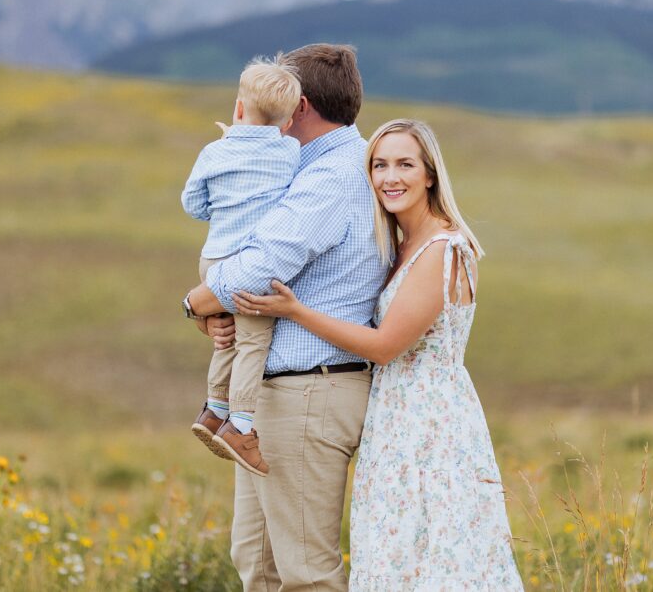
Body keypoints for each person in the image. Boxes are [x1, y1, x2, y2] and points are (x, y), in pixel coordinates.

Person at [234, 119, 525, 590]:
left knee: (437, 555)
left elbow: (387, 345)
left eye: (405, 164)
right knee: (394, 555)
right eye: (380, 165)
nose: (390, 177)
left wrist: (296, 310)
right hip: (392, 418)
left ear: (430, 174)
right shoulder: (398, 245)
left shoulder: (443, 249)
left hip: (429, 423)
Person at [181, 44, 386, 591]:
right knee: (258, 563)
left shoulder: (335, 174)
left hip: (309, 393)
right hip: (280, 395)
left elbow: (262, 265)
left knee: (304, 572)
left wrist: (197, 302)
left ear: (299, 107)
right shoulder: (300, 166)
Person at [181, 56, 302, 477]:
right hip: (250, 262)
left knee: (225, 337)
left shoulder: (215, 151)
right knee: (252, 343)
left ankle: (214, 408)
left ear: (237, 108)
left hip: (212, 259)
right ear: (289, 120)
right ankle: (241, 424)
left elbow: (192, 204)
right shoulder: (290, 150)